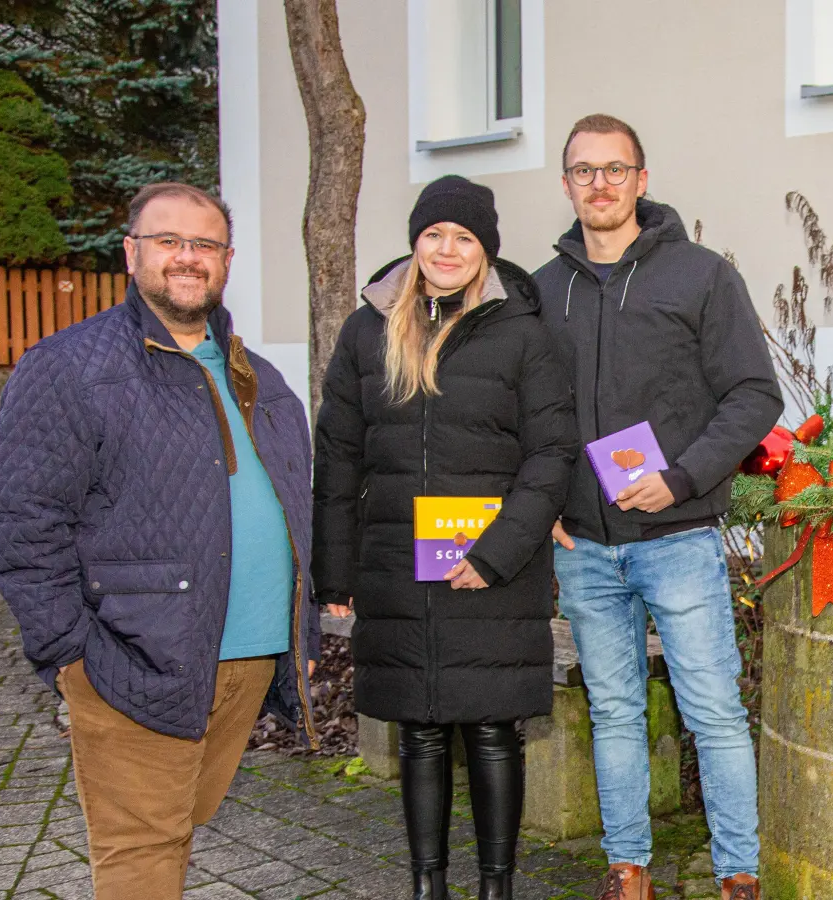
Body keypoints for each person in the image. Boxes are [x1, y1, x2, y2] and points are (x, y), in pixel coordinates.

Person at [0, 183, 318, 899]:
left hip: (246, 661)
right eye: (168, 241)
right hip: (132, 659)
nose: (186, 258)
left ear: (226, 260)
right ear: (131, 252)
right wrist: (71, 651)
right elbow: (16, 520)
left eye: (204, 245)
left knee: (177, 824)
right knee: (142, 854)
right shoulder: (71, 369)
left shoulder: (260, 376)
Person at [533, 114, 783, 900]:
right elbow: (523, 410)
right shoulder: (543, 292)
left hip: (677, 537)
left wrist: (681, 477)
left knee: (713, 713)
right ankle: (628, 867)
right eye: (584, 170)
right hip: (584, 546)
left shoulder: (701, 276)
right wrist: (539, 507)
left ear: (642, 180)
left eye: (615, 169)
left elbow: (754, 396)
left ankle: (738, 873)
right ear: (567, 182)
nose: (599, 183)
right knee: (614, 715)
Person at [312, 175, 578, 900]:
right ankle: (427, 884)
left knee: (492, 728)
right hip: (399, 563)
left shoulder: (524, 330)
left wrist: (495, 554)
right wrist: (332, 577)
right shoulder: (367, 329)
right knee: (421, 730)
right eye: (434, 235)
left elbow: (552, 454)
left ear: (485, 249)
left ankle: (497, 887)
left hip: (493, 566)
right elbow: (338, 456)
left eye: (464, 238)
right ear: (415, 241)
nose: (447, 250)